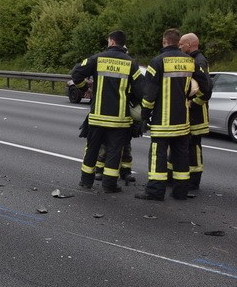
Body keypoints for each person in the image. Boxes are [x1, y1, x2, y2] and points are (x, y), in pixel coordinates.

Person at [135, 28, 210, 201]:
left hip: (162, 121)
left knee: (158, 156)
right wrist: (192, 102)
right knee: (181, 157)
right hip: (183, 121)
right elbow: (205, 88)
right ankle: (180, 192)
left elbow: (150, 93)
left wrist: (145, 115)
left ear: (164, 41)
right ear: (177, 42)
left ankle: (155, 191)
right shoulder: (191, 62)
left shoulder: (157, 61)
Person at [70, 30, 142, 193]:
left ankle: (86, 181)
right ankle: (109, 184)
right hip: (119, 119)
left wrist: (83, 89)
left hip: (97, 117)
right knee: (115, 151)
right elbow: (140, 90)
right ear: (122, 43)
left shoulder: (97, 59)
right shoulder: (131, 63)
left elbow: (76, 74)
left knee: (92, 149)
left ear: (111, 42)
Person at [179, 32, 210, 192]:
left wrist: (193, 104)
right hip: (190, 114)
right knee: (186, 145)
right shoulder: (193, 60)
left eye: (181, 44)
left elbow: (206, 89)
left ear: (189, 45)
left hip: (197, 115)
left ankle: (194, 180)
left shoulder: (199, 61)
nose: (179, 47)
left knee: (194, 147)